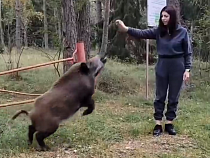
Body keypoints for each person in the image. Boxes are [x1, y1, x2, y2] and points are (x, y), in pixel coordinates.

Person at [115, 6, 192, 136]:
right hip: (162, 64)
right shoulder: (159, 31)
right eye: (162, 16)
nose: (163, 19)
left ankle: (169, 123)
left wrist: (187, 69)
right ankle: (158, 124)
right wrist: (126, 29)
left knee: (173, 96)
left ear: (172, 17)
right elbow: (142, 33)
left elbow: (188, 52)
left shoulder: (182, 32)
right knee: (160, 95)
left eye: (166, 16)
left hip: (177, 65)